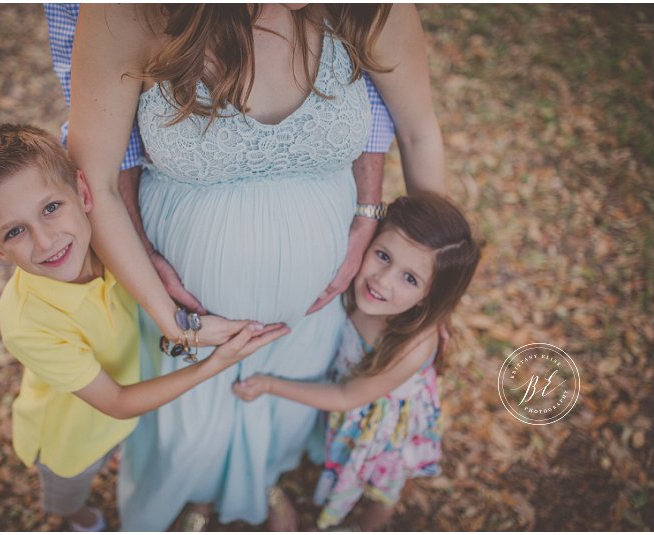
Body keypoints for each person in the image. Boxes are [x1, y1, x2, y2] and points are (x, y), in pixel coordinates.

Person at [66, 4, 446, 530]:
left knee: (286, 399)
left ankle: (262, 478)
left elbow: (420, 131)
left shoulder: (367, 7)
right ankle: (195, 494)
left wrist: (408, 257)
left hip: (313, 300)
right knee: (190, 417)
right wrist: (163, 306)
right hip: (184, 299)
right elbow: (96, 179)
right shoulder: (127, 13)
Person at [0, 124, 289, 531]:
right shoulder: (25, 323)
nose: (45, 241)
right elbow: (115, 401)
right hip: (70, 438)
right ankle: (78, 518)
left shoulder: (112, 248)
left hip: (130, 408)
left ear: (83, 191)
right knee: (68, 492)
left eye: (51, 208)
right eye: (15, 231)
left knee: (122, 447)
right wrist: (214, 364)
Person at [234, 193, 481, 530]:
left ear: (429, 299)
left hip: (384, 421)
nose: (382, 280)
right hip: (351, 395)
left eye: (410, 279)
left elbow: (346, 397)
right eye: (383, 255)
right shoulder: (355, 284)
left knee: (383, 487)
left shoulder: (413, 346)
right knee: (337, 455)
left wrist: (270, 384)